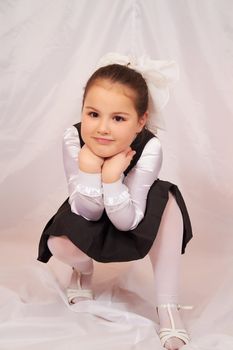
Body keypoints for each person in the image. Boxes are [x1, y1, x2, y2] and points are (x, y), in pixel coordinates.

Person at [37, 53, 193, 350]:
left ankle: (168, 306)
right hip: (90, 207)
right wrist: (88, 168)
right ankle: (83, 271)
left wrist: (112, 177)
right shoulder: (73, 139)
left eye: (118, 118)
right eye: (93, 114)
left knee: (170, 202)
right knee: (59, 242)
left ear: (140, 121)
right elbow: (88, 213)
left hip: (132, 210)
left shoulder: (150, 147)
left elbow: (128, 220)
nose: (102, 129)